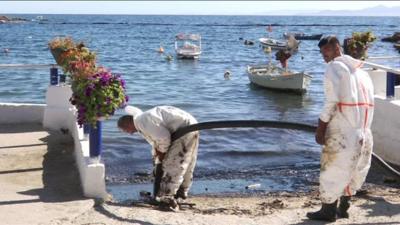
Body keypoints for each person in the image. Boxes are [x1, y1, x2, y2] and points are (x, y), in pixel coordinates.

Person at [307, 35, 374, 222]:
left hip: (344, 129)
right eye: (321, 52)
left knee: (333, 170)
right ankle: (343, 208)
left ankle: (328, 211)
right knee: (355, 169)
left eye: (326, 51)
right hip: (364, 130)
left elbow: (331, 101)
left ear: (337, 48)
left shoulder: (335, 67)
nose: (324, 56)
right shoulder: (362, 73)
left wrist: (321, 128)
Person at [118, 105, 199, 210]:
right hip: (190, 125)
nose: (127, 133)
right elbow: (156, 142)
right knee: (186, 162)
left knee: (173, 164)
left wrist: (162, 153)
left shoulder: (143, 121)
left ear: (127, 124)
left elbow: (163, 138)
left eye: (124, 130)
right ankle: (181, 193)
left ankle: (167, 198)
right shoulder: (143, 120)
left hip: (184, 128)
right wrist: (157, 157)